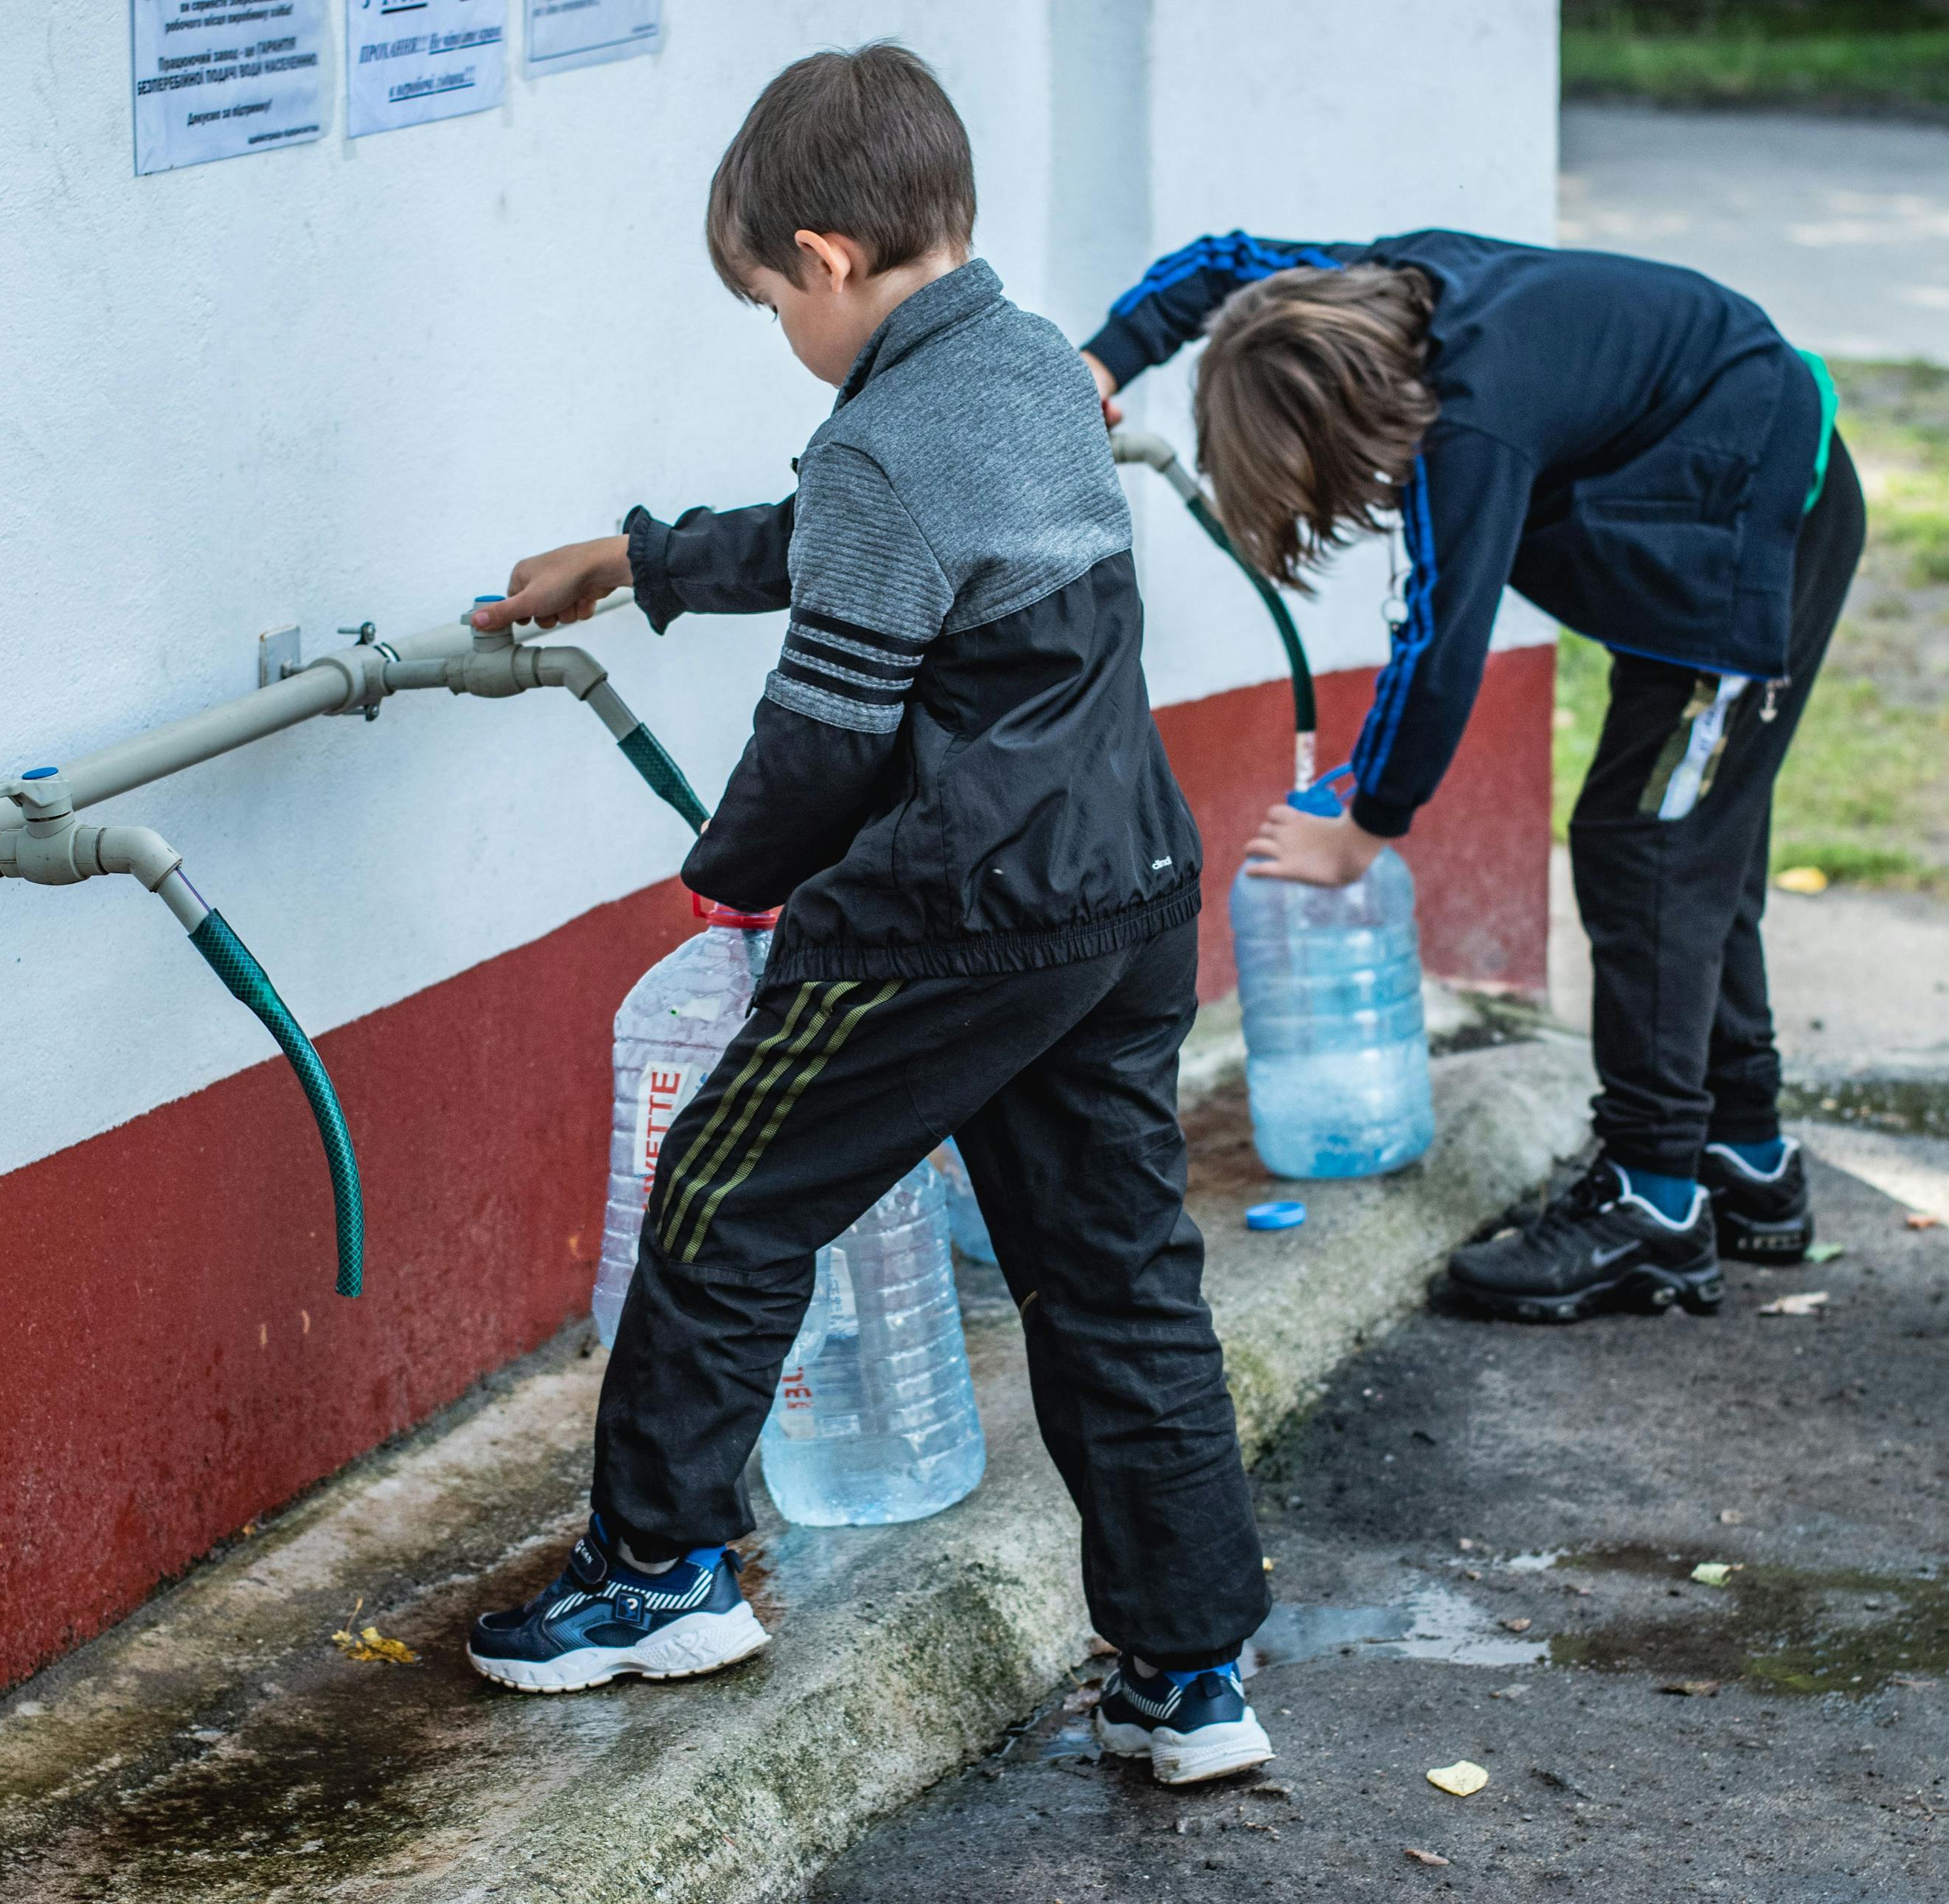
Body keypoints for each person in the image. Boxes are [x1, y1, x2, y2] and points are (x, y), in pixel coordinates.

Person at [457, 45, 1274, 1785]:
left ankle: (654, 1569)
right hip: (1122, 889)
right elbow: (846, 538)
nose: (783, 331)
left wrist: (729, 882)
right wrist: (637, 559)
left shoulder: (884, 449)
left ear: (823, 260)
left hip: (951, 918)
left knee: (727, 1194)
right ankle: (1190, 1672)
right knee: (1118, 1275)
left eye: (769, 302)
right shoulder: (1035, 369)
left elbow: (821, 737)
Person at [1078, 231, 1863, 1323]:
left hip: (1761, 517)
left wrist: (1365, 826)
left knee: (1649, 853)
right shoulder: (1370, 293)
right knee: (1688, 851)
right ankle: (1743, 1153)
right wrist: (1105, 361)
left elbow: (1439, 648)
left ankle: (1655, 1205)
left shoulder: (1469, 424)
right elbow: (1218, 265)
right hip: (1710, 475)